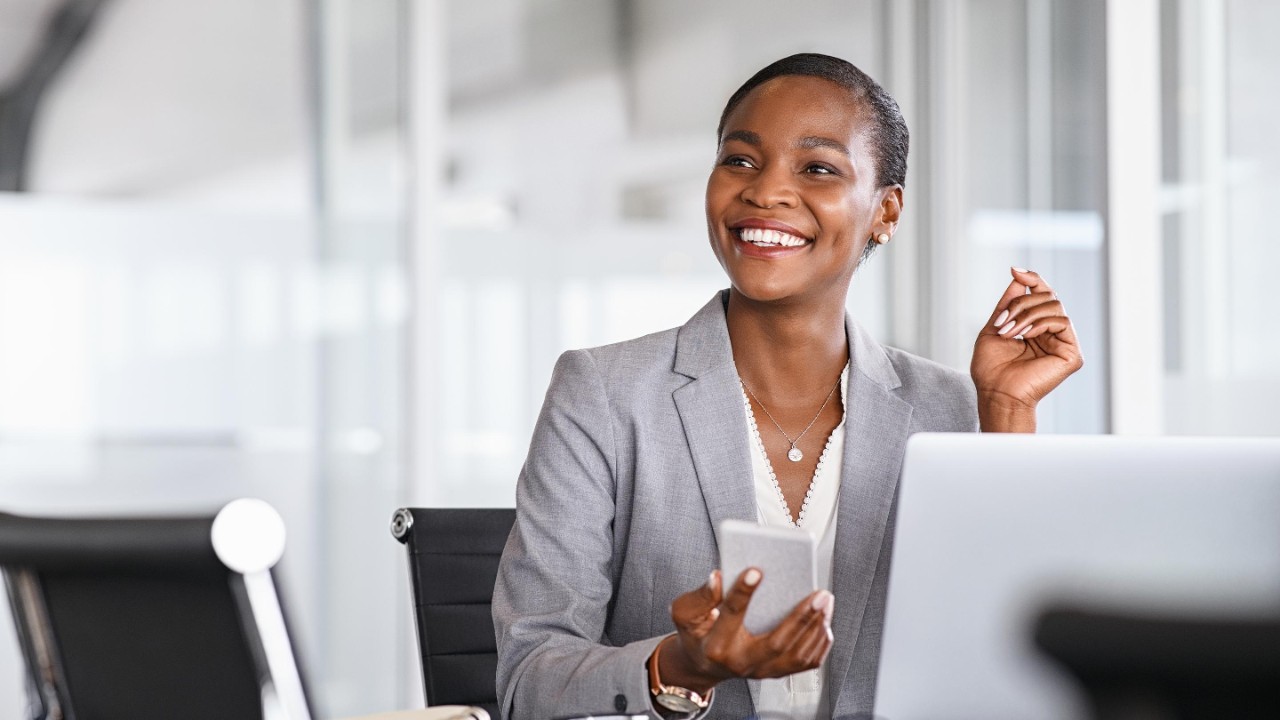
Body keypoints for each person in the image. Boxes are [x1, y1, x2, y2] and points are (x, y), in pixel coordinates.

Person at [492, 53, 1083, 720]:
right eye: (740, 160)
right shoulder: (604, 395)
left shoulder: (949, 409)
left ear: (886, 211)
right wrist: (682, 666)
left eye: (817, 169)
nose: (766, 191)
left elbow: (1010, 661)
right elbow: (528, 680)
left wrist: (1005, 412)